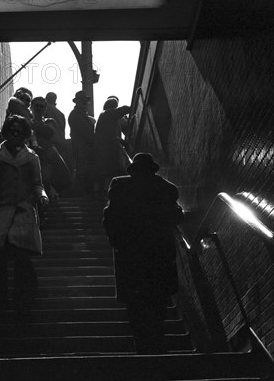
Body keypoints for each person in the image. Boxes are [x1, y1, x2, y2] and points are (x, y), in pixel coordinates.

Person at [102, 153, 184, 353]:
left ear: (133, 170)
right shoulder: (167, 188)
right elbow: (176, 216)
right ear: (153, 169)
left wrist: (117, 242)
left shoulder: (120, 186)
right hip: (159, 256)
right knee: (158, 302)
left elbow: (109, 217)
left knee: (135, 305)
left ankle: (141, 346)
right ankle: (157, 344)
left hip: (130, 257)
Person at [0, 115, 49, 316]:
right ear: (7, 132)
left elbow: (37, 183)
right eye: (12, 130)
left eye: (19, 131)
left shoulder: (32, 157)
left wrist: (41, 196)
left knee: (22, 258)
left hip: (22, 211)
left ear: (25, 134)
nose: (15, 134)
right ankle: (0, 297)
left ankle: (22, 298)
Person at [31, 97, 72, 201]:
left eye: (42, 106)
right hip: (31, 156)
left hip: (47, 156)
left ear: (45, 109)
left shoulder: (50, 121)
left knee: (48, 178)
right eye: (36, 105)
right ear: (31, 107)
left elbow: (50, 131)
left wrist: (35, 124)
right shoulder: (27, 122)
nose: (39, 108)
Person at [93, 96, 131, 199]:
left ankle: (99, 192)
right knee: (110, 170)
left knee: (103, 171)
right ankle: (106, 192)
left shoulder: (102, 115)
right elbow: (124, 109)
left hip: (102, 148)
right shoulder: (108, 113)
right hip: (108, 148)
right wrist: (132, 108)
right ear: (112, 107)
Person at [68, 90, 96, 197]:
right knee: (82, 169)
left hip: (83, 145)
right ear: (77, 101)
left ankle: (81, 193)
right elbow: (85, 131)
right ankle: (80, 194)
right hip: (81, 145)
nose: (85, 102)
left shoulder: (79, 114)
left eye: (85, 100)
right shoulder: (76, 114)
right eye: (83, 100)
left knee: (83, 168)